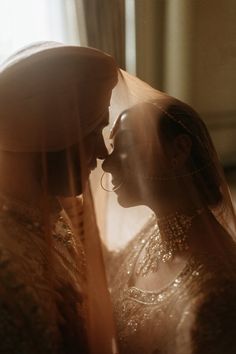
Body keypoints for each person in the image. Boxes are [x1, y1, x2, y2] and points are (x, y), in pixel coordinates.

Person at [0, 42, 118, 354]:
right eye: (95, 132)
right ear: (53, 135)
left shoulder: (53, 208)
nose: (104, 153)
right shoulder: (7, 274)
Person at [102, 96, 236, 354]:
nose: (108, 163)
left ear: (178, 150)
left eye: (124, 145)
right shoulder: (154, 231)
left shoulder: (215, 293)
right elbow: (113, 268)